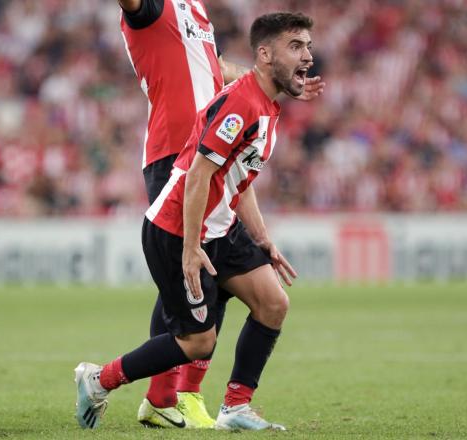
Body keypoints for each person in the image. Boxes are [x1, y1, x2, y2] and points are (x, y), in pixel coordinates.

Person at [75, 11, 315, 431]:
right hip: (178, 223)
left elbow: (238, 179)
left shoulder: (262, 101)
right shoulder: (240, 102)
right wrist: (190, 246)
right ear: (265, 54)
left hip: (218, 224)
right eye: (297, 47)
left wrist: (263, 239)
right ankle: (102, 379)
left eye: (307, 47)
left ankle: (234, 406)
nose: (308, 56)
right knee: (196, 339)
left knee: (273, 302)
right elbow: (200, 174)